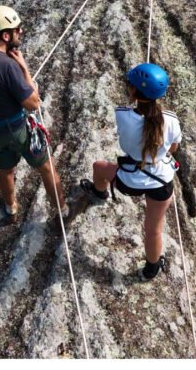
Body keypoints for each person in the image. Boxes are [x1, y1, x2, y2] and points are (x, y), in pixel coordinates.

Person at [78, 63, 182, 280]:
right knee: (153, 230)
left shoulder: (122, 114)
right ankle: (151, 269)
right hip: (161, 182)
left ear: (134, 91)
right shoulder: (171, 120)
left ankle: (99, 193)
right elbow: (173, 148)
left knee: (99, 167)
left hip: (129, 181)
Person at [0, 5, 69, 220]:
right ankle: (63, 210)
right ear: (5, 35)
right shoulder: (7, 66)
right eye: (17, 29)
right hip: (17, 130)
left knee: (7, 170)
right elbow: (33, 103)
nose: (20, 32)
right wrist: (23, 68)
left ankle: (10, 208)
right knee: (47, 167)